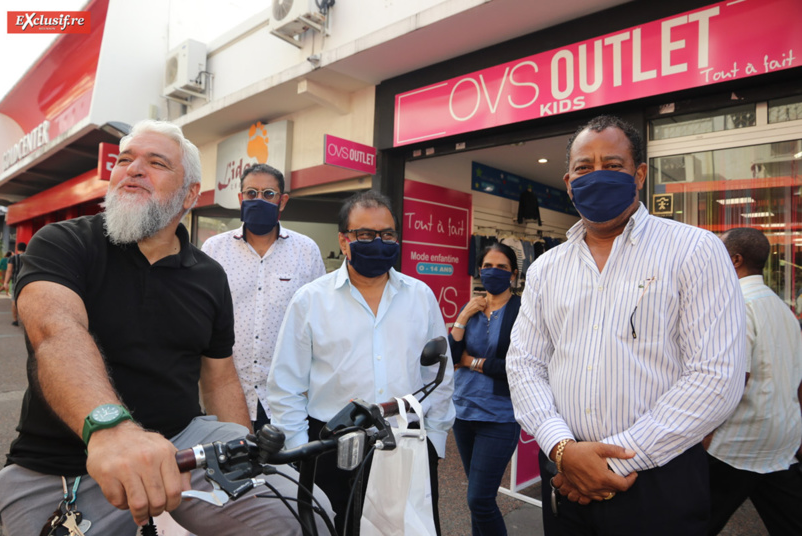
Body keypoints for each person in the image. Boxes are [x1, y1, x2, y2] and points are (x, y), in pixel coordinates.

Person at [0, 120, 331, 536]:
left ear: (190, 194)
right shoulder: (64, 242)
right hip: (64, 465)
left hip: (187, 444)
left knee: (307, 513)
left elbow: (220, 376)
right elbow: (55, 330)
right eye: (125, 160)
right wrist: (109, 429)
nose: (134, 169)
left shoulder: (209, 274)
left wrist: (245, 455)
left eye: (156, 162)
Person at [506, 115, 746, 535]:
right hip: (565, 475)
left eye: (612, 166)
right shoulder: (546, 269)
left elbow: (715, 378)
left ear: (638, 175)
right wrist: (563, 450)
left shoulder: (694, 250)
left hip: (658, 478)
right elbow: (524, 364)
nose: (596, 175)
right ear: (568, 181)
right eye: (584, 167)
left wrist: (609, 462)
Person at [267, 189, 456, 535]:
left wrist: (435, 440)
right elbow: (285, 386)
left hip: (406, 445)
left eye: (387, 234)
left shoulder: (420, 296)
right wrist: (302, 453)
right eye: (365, 234)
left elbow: (439, 376)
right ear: (344, 240)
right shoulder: (310, 300)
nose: (378, 242)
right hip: (331, 448)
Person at [202, 163, 325, 432]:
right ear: (240, 199)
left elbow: (320, 319)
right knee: (231, 469)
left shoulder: (306, 251)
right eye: (251, 193)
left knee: (284, 471)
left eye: (269, 194)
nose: (259, 200)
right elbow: (201, 317)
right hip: (227, 391)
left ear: (282, 201)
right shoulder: (214, 249)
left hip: (287, 397)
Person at [705, 227, 802, 535]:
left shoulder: (737, 305)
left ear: (734, 260)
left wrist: (701, 439)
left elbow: (732, 381)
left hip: (736, 444)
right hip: (781, 439)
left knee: (692, 520)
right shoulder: (781, 309)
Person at [448, 242, 522, 536]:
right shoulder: (473, 307)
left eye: (502, 267)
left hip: (499, 417)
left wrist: (472, 361)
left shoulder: (522, 311)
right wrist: (463, 316)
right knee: (477, 500)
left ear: (513, 275)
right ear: (479, 270)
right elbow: (452, 358)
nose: (493, 272)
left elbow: (515, 367)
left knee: (479, 499)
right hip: (464, 413)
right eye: (488, 266)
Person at [3, 242, 26, 325]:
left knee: (14, 301)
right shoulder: (28, 258)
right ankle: (25, 320)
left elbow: (9, 271)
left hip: (16, 282)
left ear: (17, 248)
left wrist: (6, 282)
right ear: (25, 248)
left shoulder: (12, 258)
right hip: (26, 282)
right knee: (25, 300)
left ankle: (15, 320)